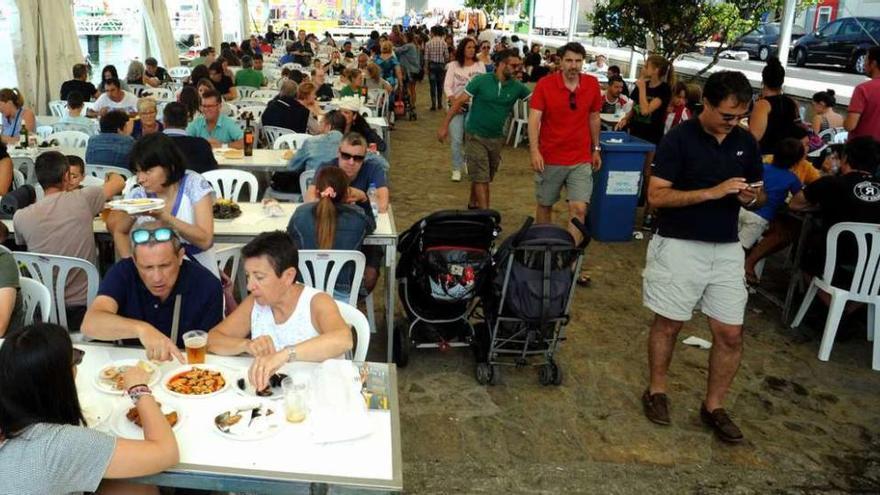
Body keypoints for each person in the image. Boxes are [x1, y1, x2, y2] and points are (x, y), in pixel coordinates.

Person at [641, 70, 764, 444]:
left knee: (729, 333)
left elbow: (760, 194)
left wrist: (750, 198)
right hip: (679, 244)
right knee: (670, 324)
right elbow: (657, 197)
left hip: (726, 248)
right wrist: (711, 193)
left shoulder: (745, 142)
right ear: (706, 105)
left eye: (740, 116)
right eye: (727, 115)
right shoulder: (679, 139)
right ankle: (657, 390)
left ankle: (714, 406)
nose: (734, 123)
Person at [0, 323, 179, 493]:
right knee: (141, 488)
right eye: (74, 358)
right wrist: (138, 388)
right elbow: (167, 453)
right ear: (58, 381)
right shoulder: (61, 445)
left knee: (131, 486)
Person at [206, 231, 353, 391]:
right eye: (248, 276)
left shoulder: (316, 302)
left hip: (318, 397)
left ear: (288, 276)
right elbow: (211, 340)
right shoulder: (255, 303)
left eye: (259, 277)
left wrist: (284, 355)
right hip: (272, 400)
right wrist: (246, 345)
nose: (249, 286)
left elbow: (343, 339)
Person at [13, 152, 125, 330]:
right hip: (86, 309)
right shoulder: (84, 198)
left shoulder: (20, 217)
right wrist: (110, 175)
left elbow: (20, 243)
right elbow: (119, 182)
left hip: (42, 310)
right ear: (66, 176)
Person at [83, 221, 223, 357]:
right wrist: (142, 329)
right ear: (134, 261)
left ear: (180, 257)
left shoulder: (207, 285)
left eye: (165, 266)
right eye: (147, 267)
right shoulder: (123, 272)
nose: (157, 278)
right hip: (130, 368)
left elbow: (213, 347)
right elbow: (90, 324)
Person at [528, 42, 602, 259]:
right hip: (550, 157)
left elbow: (594, 116)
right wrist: (534, 151)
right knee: (545, 205)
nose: (574, 65)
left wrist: (596, 148)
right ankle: (543, 254)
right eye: (569, 60)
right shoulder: (545, 84)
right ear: (560, 61)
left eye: (578, 61)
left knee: (579, 210)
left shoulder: (591, 84)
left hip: (580, 159)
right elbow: (534, 119)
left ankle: (568, 260)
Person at [108, 133, 218, 277]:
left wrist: (163, 216)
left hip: (198, 272)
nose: (141, 179)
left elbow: (205, 241)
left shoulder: (194, 184)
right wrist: (133, 269)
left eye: (148, 171)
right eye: (137, 171)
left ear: (169, 166)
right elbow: (119, 231)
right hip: (155, 277)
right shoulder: (140, 195)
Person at [438, 49, 530, 209]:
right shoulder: (481, 81)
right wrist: (445, 125)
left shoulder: (518, 87)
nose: (518, 69)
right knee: (482, 178)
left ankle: (473, 203)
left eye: (520, 65)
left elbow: (537, 103)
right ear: (501, 64)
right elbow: (458, 102)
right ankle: (486, 217)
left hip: (497, 138)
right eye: (514, 65)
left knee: (485, 175)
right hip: (475, 135)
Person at [790, 136, 880, 288]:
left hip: (836, 258)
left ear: (845, 158)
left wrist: (820, 205)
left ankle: (833, 304)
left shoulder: (831, 183)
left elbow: (795, 204)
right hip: (876, 266)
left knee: (801, 250)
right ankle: (853, 305)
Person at [305, 133, 388, 293]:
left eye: (357, 158)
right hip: (328, 230)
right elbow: (310, 200)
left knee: (370, 275)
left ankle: (352, 302)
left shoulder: (374, 168)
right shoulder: (326, 168)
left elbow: (383, 204)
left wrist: (361, 196)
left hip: (363, 235)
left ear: (365, 157)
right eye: (346, 156)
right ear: (338, 153)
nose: (351, 162)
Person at [615, 54, 673, 229]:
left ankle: (649, 213)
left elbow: (647, 110)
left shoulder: (663, 89)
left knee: (648, 174)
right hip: (635, 133)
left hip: (651, 138)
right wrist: (626, 117)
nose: (643, 68)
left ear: (655, 70)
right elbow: (636, 108)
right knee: (632, 171)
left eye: (647, 66)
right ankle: (627, 208)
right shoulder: (643, 85)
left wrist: (641, 89)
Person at [289, 164, 376, 278]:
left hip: (305, 290)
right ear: (347, 193)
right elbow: (371, 226)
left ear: (316, 191)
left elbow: (290, 235)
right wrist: (364, 199)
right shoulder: (357, 217)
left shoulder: (300, 214)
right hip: (344, 293)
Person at [737, 138, 804, 252]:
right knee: (740, 250)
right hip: (760, 218)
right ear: (797, 161)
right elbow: (799, 198)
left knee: (728, 244)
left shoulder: (761, 167)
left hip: (741, 209)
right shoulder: (792, 179)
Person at [442, 37, 486, 182]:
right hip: (456, 107)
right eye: (468, 47)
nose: (472, 50)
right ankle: (456, 168)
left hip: (475, 108)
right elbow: (447, 86)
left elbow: (484, 86)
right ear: (462, 49)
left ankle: (467, 162)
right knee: (456, 139)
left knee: (470, 139)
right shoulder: (453, 66)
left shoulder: (480, 66)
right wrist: (454, 101)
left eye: (474, 47)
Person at [749, 57, 800, 155]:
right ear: (782, 81)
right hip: (787, 155)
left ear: (763, 80)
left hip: (766, 157)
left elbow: (754, 137)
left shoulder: (762, 105)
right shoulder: (792, 102)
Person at [162, 102, 217, 174]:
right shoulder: (202, 145)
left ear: (164, 121)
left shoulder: (151, 144)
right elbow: (213, 173)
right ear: (187, 121)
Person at [845, 46, 880, 141]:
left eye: (865, 60)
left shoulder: (863, 89)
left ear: (873, 63)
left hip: (861, 149)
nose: (863, 64)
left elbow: (850, 125)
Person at [395, 32, 422, 108]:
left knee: (408, 89)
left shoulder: (408, 46)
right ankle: (413, 105)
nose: (403, 39)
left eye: (404, 37)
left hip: (409, 71)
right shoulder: (416, 46)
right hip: (416, 70)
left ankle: (410, 104)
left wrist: (389, 46)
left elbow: (397, 50)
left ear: (407, 38)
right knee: (413, 89)